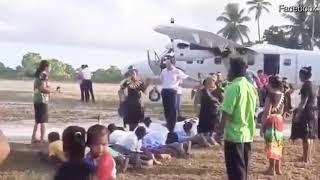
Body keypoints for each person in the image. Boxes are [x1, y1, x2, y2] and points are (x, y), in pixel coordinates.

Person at [215, 57, 257, 180]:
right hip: (247, 134)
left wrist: (219, 132)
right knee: (243, 169)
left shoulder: (233, 87)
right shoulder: (251, 87)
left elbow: (227, 111)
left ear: (233, 70)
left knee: (235, 172)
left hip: (234, 136)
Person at [291, 66, 317, 163]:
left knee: (305, 137)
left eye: (300, 74)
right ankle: (308, 158)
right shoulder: (313, 85)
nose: (299, 76)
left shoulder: (306, 85)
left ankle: (305, 159)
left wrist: (298, 114)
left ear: (303, 75)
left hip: (306, 113)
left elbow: (304, 102)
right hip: (313, 112)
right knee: (310, 136)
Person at [160, 57, 189, 144]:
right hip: (164, 91)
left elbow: (186, 77)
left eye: (168, 63)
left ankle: (172, 128)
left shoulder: (177, 71)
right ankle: (169, 126)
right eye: (166, 63)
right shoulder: (164, 71)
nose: (167, 65)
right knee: (166, 109)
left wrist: (199, 82)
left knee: (173, 110)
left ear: (172, 64)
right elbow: (161, 80)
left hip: (172, 91)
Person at [260, 76, 285, 175]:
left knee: (271, 144)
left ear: (271, 84)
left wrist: (263, 126)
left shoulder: (270, 95)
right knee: (278, 144)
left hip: (271, 120)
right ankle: (278, 168)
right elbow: (282, 111)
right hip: (279, 119)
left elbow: (267, 112)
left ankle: (271, 169)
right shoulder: (282, 95)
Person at [32, 60, 55, 144]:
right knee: (43, 121)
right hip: (42, 99)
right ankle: (42, 139)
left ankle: (34, 138)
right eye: (50, 66)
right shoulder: (44, 74)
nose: (51, 68)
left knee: (38, 120)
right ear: (46, 67)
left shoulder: (39, 74)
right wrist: (51, 91)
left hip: (37, 99)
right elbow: (42, 88)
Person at [198, 76, 223, 146]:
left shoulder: (219, 90)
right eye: (206, 81)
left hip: (214, 112)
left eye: (210, 81)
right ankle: (204, 140)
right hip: (204, 111)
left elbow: (217, 101)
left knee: (213, 127)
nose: (207, 83)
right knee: (203, 127)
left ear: (214, 82)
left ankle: (212, 139)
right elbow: (199, 100)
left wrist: (207, 91)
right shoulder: (203, 90)